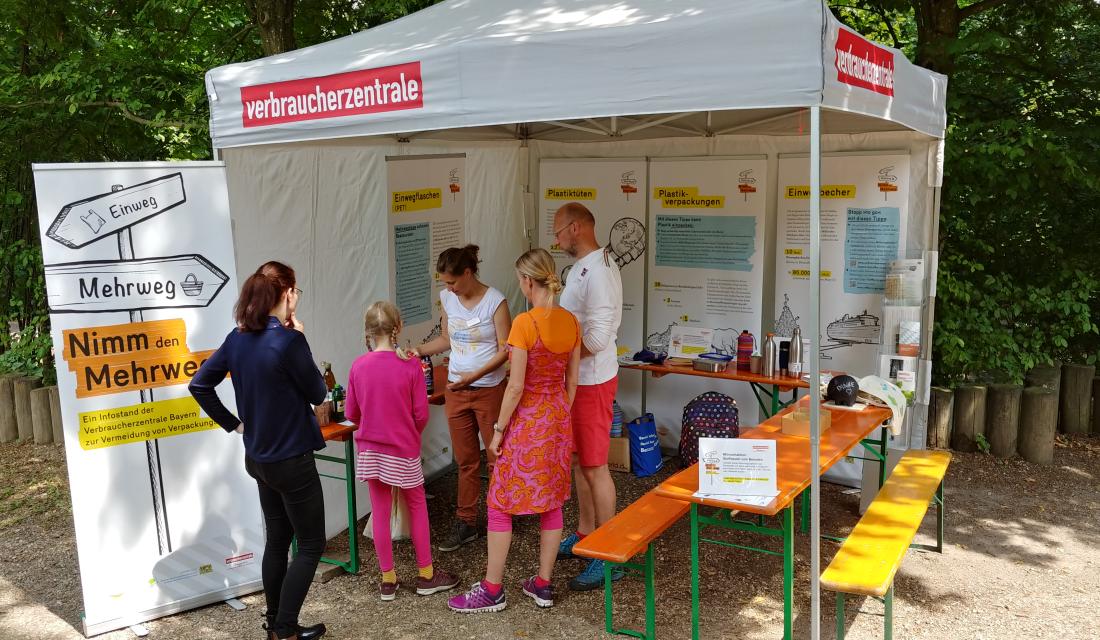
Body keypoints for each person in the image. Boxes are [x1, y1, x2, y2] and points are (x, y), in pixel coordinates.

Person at [188, 261, 328, 640]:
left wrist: (235, 424)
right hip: (292, 460)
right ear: (285, 294)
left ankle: (274, 622)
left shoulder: (238, 339)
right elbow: (318, 392)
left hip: (259, 459)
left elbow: (199, 385)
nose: (296, 297)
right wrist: (300, 334)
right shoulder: (288, 340)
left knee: (279, 539)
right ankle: (284, 629)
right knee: (312, 544)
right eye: (295, 291)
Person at [447, 248, 580, 613]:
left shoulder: (525, 323)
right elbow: (572, 382)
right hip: (556, 420)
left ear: (526, 281)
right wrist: (558, 415)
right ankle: (543, 584)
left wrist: (498, 430)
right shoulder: (571, 321)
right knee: (552, 502)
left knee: (500, 503)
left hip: (526, 421)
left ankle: (492, 590)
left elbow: (516, 386)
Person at [345, 301, 461, 601]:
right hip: (404, 449)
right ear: (398, 328)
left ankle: (387, 580)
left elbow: (352, 414)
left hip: (371, 450)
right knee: (416, 506)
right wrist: (409, 433)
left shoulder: (358, 366)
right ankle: (426, 575)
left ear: (368, 331)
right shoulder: (410, 365)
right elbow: (421, 414)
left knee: (380, 511)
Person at [414, 245, 512, 552]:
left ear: (468, 273)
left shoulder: (495, 301)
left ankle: (501, 515)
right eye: (445, 283)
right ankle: (466, 522)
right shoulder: (448, 299)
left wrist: (476, 375)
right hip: (457, 390)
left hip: (488, 390)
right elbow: (446, 338)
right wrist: (417, 350)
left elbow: (506, 348)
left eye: (452, 282)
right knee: (466, 460)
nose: (449, 288)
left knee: (497, 457)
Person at [551, 202, 625, 591]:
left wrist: (554, 345)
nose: (555, 238)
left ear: (575, 228)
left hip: (593, 382)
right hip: (580, 380)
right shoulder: (588, 266)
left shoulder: (599, 272)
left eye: (558, 231)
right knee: (581, 461)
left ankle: (608, 552)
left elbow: (597, 338)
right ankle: (585, 534)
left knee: (595, 466)